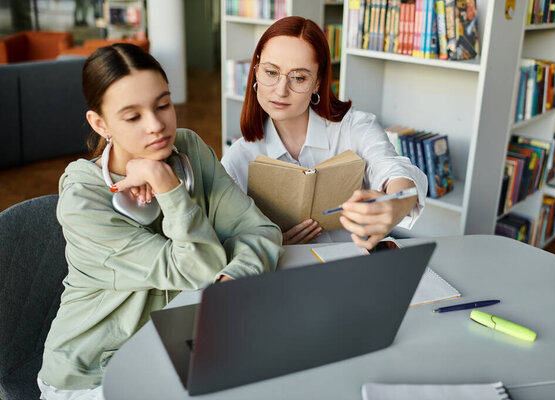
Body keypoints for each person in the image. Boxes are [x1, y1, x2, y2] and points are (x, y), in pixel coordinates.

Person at [37, 43, 283, 399]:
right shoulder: (83, 203)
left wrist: (230, 281)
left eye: (163, 105)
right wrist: (168, 187)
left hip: (178, 342)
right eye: (133, 116)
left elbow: (259, 231)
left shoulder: (189, 149)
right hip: (94, 371)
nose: (157, 126)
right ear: (100, 123)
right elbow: (198, 270)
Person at [221, 16, 427, 250]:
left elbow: (393, 168)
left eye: (299, 78)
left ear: (318, 82)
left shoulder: (354, 127)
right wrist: (268, 245)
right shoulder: (238, 158)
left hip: (352, 268)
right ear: (256, 71)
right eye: (271, 73)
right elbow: (224, 240)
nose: (281, 90)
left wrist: (394, 205)